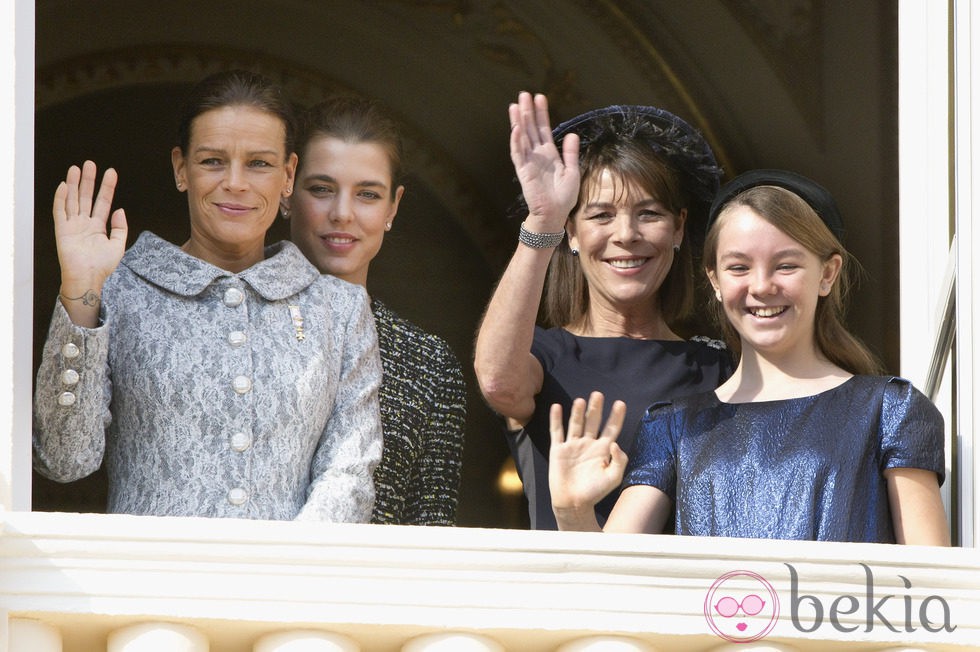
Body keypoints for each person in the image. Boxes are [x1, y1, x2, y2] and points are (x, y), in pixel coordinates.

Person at [32, 70, 383, 521]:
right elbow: (64, 461)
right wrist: (81, 291)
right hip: (148, 584)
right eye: (213, 161)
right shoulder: (121, 290)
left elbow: (348, 472)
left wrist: (287, 573)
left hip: (285, 585)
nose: (236, 182)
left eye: (258, 163)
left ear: (289, 174)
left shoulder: (338, 309)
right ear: (182, 169)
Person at [549, 169, 950, 545]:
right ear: (716, 280)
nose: (761, 286)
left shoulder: (890, 410)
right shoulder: (672, 426)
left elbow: (932, 585)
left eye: (786, 265)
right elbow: (611, 579)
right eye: (739, 267)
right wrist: (573, 512)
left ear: (827, 274)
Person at [474, 92, 733, 529]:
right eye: (601, 216)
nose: (626, 234)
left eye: (649, 214)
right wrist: (543, 222)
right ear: (572, 233)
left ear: (679, 228)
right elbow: (499, 382)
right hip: (570, 594)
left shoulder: (719, 365)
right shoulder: (545, 356)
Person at [283, 95, 466, 525]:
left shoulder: (430, 364)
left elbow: (431, 536)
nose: (342, 213)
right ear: (286, 189)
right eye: (321, 189)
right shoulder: (237, 319)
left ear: (393, 207)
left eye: (367, 194)